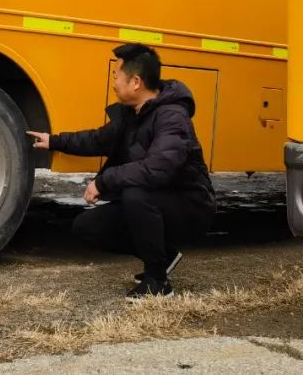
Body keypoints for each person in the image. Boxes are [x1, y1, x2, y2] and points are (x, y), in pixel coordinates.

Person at [27, 43, 215, 298]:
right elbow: (98, 139)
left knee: (135, 193)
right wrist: (55, 141)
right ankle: (164, 255)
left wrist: (104, 182)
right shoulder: (132, 114)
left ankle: (157, 281)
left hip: (190, 205)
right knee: (87, 226)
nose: (113, 82)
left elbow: (158, 169)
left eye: (116, 75)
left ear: (135, 81)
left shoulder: (172, 116)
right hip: (153, 201)